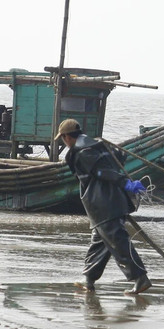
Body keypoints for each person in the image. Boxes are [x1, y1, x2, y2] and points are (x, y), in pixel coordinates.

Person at [59, 118, 153, 295]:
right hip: (110, 203)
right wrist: (125, 183)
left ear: (67, 137)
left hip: (103, 205)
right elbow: (119, 159)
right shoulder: (97, 145)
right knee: (99, 242)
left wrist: (125, 182)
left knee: (118, 242)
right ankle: (88, 279)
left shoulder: (82, 151)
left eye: (63, 139)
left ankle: (140, 278)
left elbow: (103, 172)